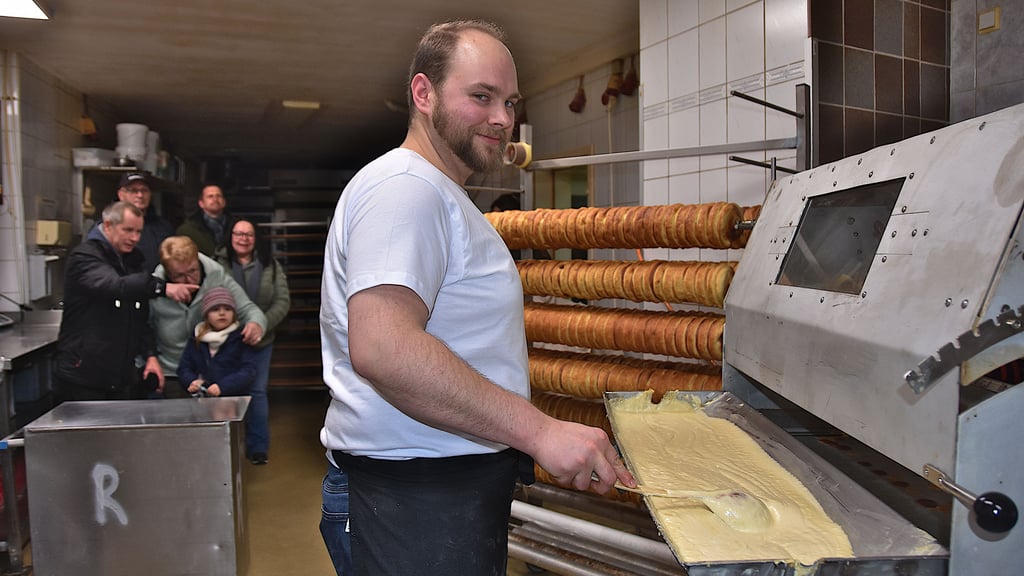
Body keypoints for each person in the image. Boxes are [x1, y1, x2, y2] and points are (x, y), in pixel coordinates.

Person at [319, 20, 635, 575]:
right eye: (481, 97)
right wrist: (540, 431)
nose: (502, 119)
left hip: (434, 494)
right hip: (412, 501)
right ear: (424, 93)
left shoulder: (437, 193)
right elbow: (384, 348)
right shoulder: (406, 189)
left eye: (510, 102)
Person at [54, 201, 197, 402]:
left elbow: (139, 315)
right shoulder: (85, 257)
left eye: (139, 231)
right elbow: (115, 286)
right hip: (83, 375)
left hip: (120, 377)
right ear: (108, 225)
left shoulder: (131, 260)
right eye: (128, 230)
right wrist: (163, 287)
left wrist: (150, 355)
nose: (135, 238)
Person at [150, 236, 267, 397]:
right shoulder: (153, 286)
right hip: (170, 370)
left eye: (193, 271)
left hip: (212, 373)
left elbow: (249, 309)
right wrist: (149, 358)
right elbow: (142, 328)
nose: (188, 280)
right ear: (168, 273)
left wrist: (256, 324)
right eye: (179, 275)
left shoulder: (217, 275)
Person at [217, 220, 291, 465]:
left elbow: (282, 301)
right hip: (223, 342)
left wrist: (261, 325)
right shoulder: (218, 264)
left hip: (261, 341)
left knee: (257, 392)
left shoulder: (270, 265)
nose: (243, 238)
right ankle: (223, 449)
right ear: (231, 236)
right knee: (224, 391)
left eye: (249, 234)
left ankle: (258, 447)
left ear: (256, 238)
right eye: (238, 233)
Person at [178, 287, 257, 398]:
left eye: (227, 309)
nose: (222, 313)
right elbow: (184, 367)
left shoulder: (241, 338)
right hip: (202, 400)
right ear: (206, 315)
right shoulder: (196, 338)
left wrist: (222, 387)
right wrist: (192, 381)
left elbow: (248, 371)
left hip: (233, 400)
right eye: (215, 309)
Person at [116, 172, 175, 272]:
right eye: (133, 190)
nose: (140, 195)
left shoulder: (164, 226)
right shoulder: (110, 226)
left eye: (144, 190)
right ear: (121, 194)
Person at [177, 183, 230, 256]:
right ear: (201, 203)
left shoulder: (235, 227)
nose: (215, 199)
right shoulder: (187, 231)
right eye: (210, 196)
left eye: (218, 196)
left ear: (224, 202)